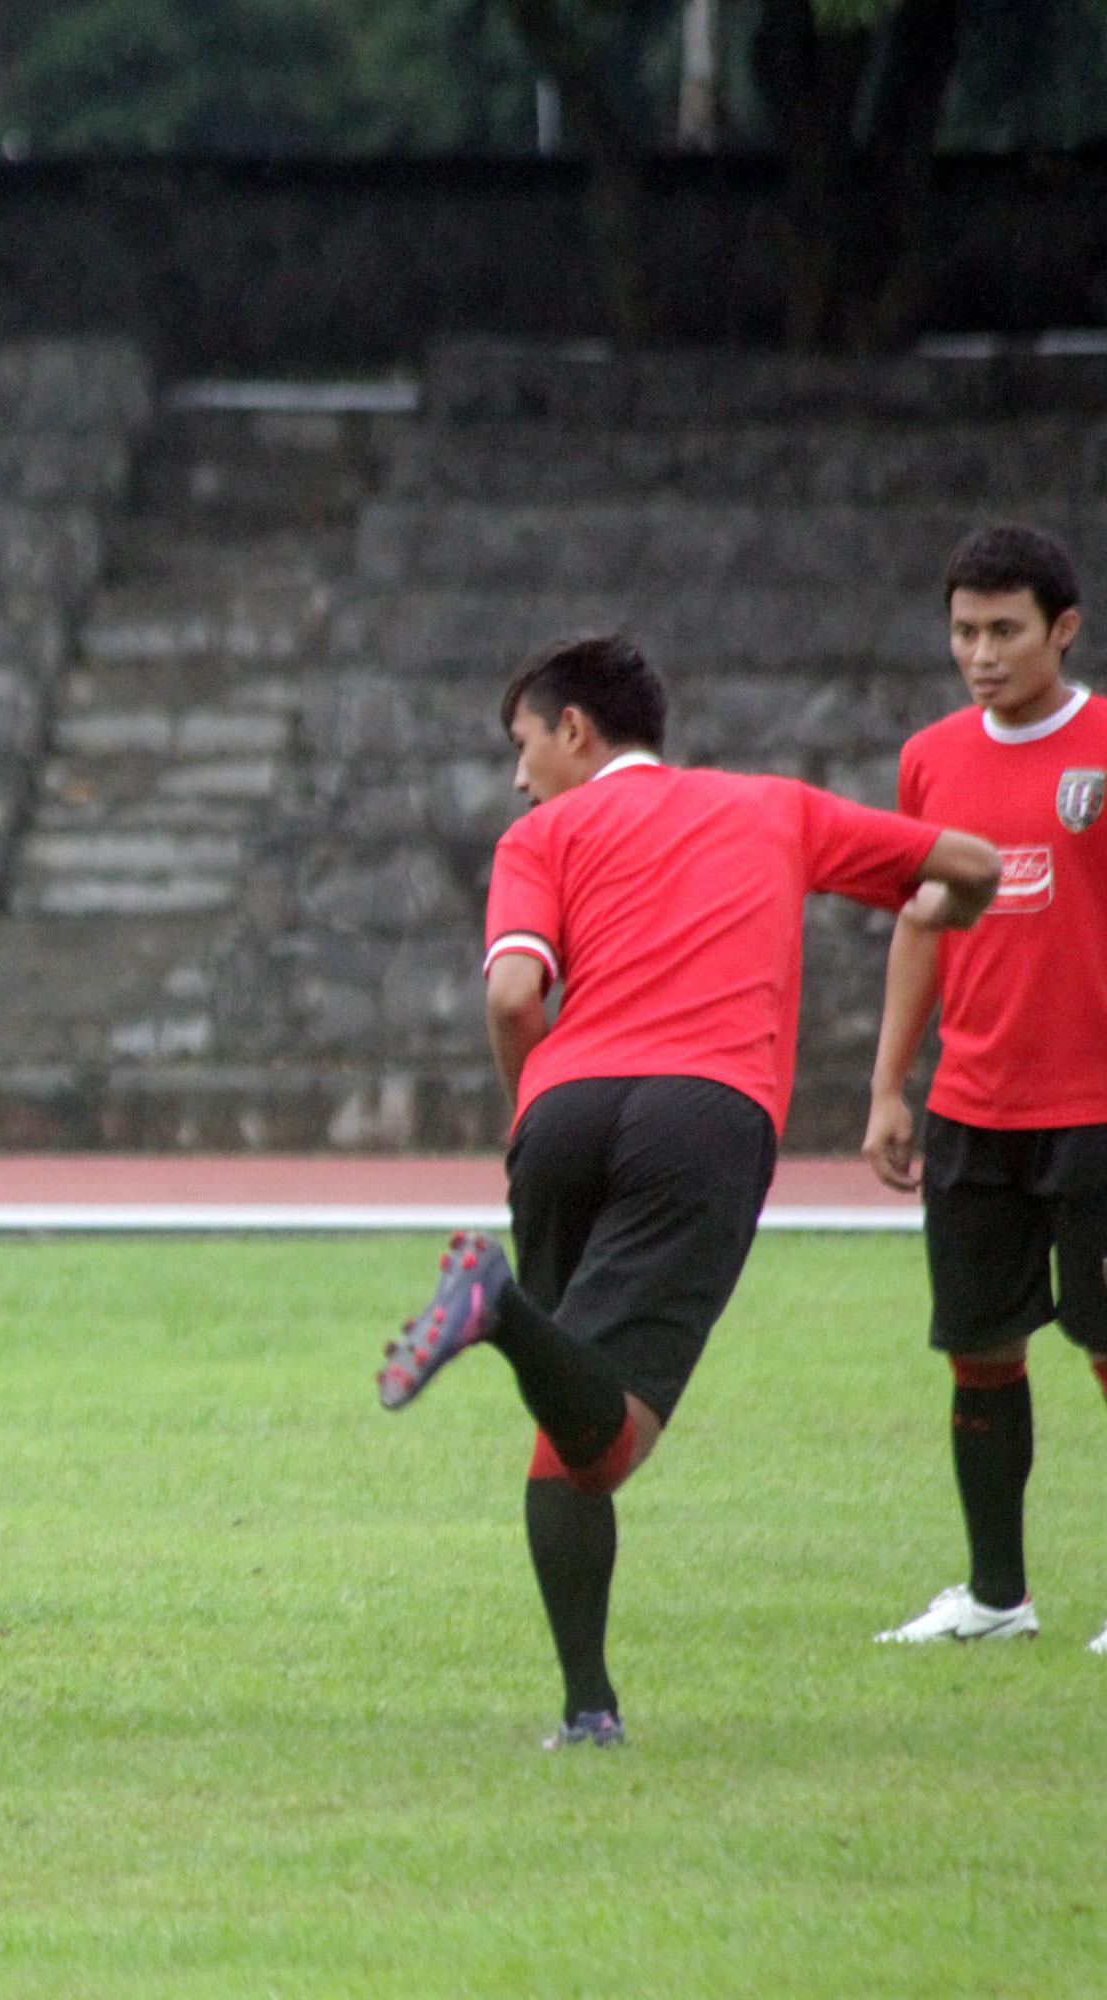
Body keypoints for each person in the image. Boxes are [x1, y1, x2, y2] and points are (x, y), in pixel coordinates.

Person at [374, 633, 999, 1746]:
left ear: (575, 730)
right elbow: (974, 866)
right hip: (703, 1115)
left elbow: (517, 992)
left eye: (524, 744)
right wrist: (938, 916)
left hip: (560, 1113)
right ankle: (499, 1306)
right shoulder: (773, 805)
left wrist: (534, 1109)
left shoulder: (541, 833)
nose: (519, 775)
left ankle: (588, 1708)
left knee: (566, 1431)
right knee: (608, 1437)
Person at [866, 525, 1107, 1650]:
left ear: (1063, 627)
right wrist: (889, 1087)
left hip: (1097, 1105)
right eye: (964, 630)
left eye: (1005, 629)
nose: (981, 652)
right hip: (974, 1103)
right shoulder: (932, 758)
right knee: (979, 1346)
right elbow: (923, 921)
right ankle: (997, 1595)